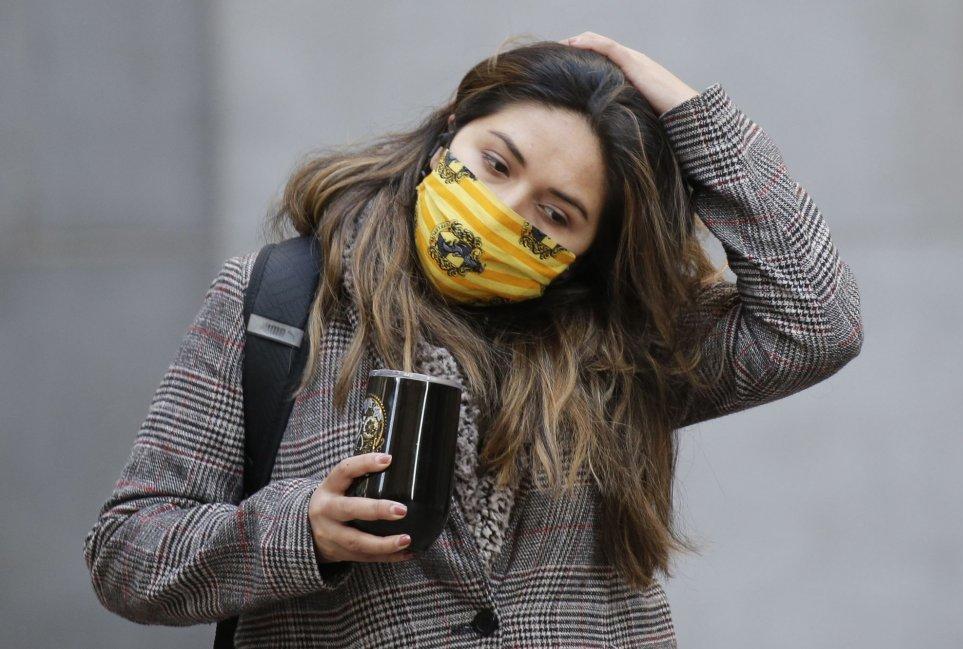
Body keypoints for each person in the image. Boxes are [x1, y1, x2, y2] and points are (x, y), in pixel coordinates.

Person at [83, 33, 864, 647]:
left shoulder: (617, 350)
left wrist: (694, 116)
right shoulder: (283, 301)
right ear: (451, 128)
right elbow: (127, 553)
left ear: (587, 249)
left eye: (556, 214)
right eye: (495, 164)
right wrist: (302, 530)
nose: (506, 209)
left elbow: (816, 318)